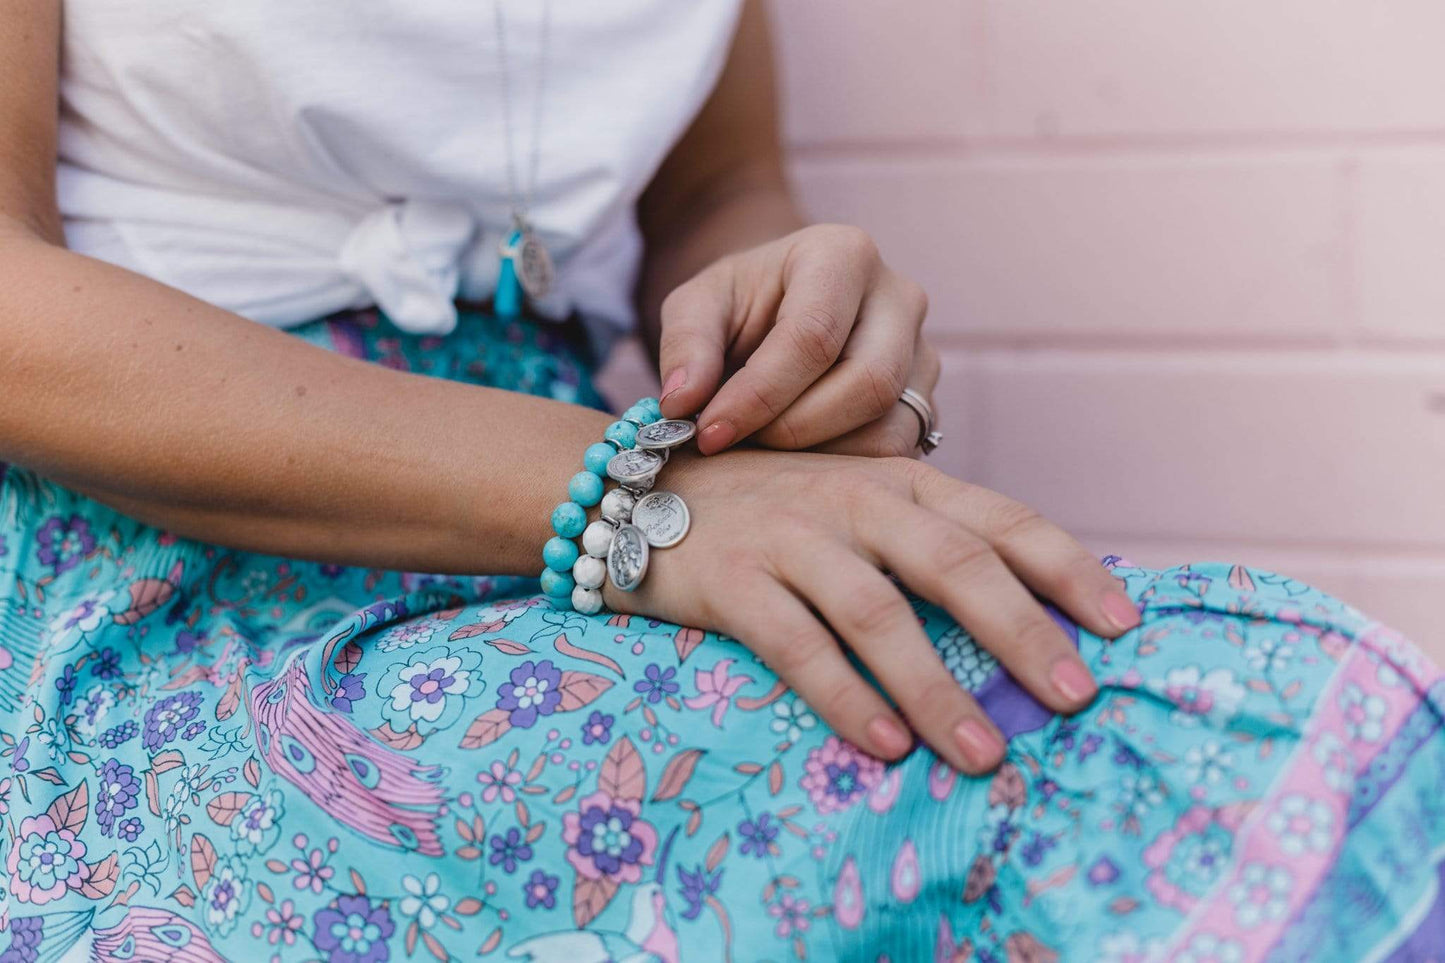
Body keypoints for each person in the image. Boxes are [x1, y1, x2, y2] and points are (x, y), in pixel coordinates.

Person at [0, 2, 1440, 960]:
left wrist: (796, 335)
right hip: (162, 562)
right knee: (1213, 749)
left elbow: (711, 189)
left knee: (1312, 722)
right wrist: (627, 496)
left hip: (582, 504)